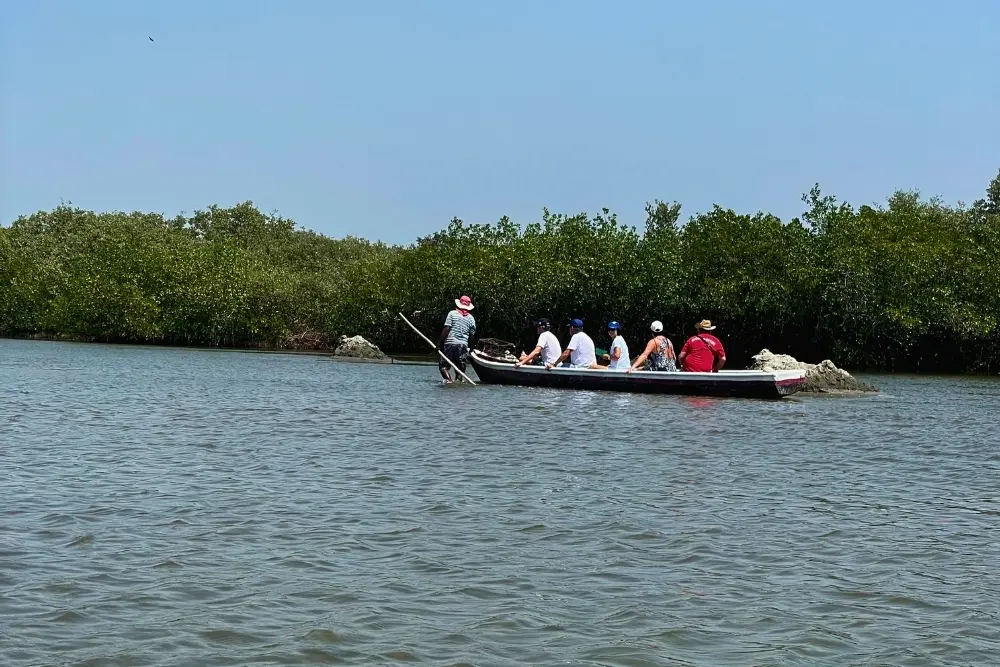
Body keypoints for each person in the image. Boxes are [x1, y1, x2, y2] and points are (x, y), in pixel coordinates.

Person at [438, 295, 477, 383]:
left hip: (450, 345)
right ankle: (458, 385)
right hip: (463, 347)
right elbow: (472, 336)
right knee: (460, 370)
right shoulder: (471, 319)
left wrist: (440, 343)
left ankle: (449, 381)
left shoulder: (452, 313)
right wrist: (471, 349)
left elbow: (446, 329)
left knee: (443, 366)